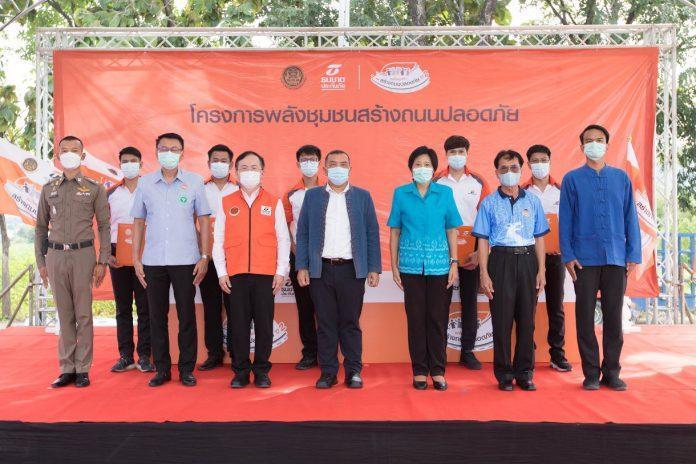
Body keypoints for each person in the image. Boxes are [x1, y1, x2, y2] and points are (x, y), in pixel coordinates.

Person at [560, 125, 641, 391]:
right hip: (583, 260)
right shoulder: (572, 179)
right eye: (589, 140)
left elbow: (631, 217)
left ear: (607, 145)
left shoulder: (621, 178)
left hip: (616, 257)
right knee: (585, 318)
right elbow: (565, 220)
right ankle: (591, 373)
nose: (594, 144)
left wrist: (633, 253)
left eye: (599, 140)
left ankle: (612, 372)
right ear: (582, 146)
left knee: (614, 318)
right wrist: (568, 255)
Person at [130, 133, 211, 388]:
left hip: (186, 259)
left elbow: (204, 220)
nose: (169, 153)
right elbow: (138, 221)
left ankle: (187, 369)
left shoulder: (195, 182)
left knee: (187, 316)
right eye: (164, 148)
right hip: (153, 260)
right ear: (156, 152)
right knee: (156, 317)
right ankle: (162, 369)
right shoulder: (145, 183)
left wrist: (205, 256)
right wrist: (136, 258)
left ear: (182, 153)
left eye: (174, 149)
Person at [295, 150, 381, 389]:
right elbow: (302, 233)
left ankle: (353, 371)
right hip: (321, 269)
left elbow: (372, 233)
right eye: (332, 164)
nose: (338, 168)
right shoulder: (312, 196)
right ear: (324, 169)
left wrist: (374, 267)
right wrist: (302, 265)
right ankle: (328, 372)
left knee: (350, 322)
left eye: (343, 164)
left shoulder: (362, 196)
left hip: (352, 270)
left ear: (350, 169)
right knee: (325, 324)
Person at [35, 135, 111, 388]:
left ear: (82, 155)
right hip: (55, 256)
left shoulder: (94, 188)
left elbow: (104, 225)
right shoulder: (49, 189)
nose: (69, 154)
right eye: (65, 150)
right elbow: (40, 228)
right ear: (57, 156)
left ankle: (83, 369)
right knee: (64, 314)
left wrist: (102, 261)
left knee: (84, 314)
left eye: (74, 150)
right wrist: (41, 262)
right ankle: (66, 368)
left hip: (83, 256)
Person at [212, 151, 290, 389]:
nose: (249, 172)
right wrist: (221, 272)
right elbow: (218, 239)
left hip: (265, 274)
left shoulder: (274, 202)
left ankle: (262, 371)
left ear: (262, 172)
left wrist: (281, 271)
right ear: (236, 172)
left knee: (264, 324)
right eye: (244, 168)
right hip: (235, 274)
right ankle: (241, 371)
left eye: (254, 167)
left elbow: (283, 239)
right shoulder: (226, 202)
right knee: (238, 324)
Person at [473, 150, 549, 392]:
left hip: (528, 260)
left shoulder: (533, 201)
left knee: (527, 320)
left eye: (514, 168)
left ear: (521, 170)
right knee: (502, 320)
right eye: (504, 169)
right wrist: (484, 273)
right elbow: (482, 240)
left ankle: (525, 372)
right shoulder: (488, 203)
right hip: (500, 261)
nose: (509, 172)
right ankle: (505, 373)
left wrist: (541, 270)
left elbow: (539, 237)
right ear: (496, 173)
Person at [388, 146, 462, 391]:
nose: (422, 168)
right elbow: (395, 231)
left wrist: (454, 262)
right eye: (418, 164)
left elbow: (451, 229)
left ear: (434, 168)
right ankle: (420, 370)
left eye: (427, 164)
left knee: (437, 320)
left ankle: (438, 371)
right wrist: (394, 265)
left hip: (440, 267)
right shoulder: (401, 194)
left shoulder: (445, 193)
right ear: (411, 168)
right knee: (416, 320)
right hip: (410, 267)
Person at [435, 135, 490, 370]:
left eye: (461, 152)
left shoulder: (478, 182)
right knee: (440, 304)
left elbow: (486, 218)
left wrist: (479, 252)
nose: (457, 156)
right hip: (441, 251)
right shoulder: (436, 181)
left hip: (471, 251)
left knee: (470, 302)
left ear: (467, 153)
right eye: (452, 152)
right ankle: (438, 353)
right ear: (446, 154)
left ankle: (467, 351)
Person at [522, 144, 572, 373]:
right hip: (529, 257)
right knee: (527, 306)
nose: (539, 164)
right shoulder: (522, 192)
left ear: (550, 162)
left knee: (556, 305)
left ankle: (557, 354)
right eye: (535, 160)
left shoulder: (562, 190)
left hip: (555, 257)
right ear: (528, 164)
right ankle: (527, 352)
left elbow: (570, 223)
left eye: (543, 160)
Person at [107, 146, 154, 374]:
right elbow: (104, 226)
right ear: (119, 165)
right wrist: (107, 253)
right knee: (122, 307)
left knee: (145, 307)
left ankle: (144, 355)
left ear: (141, 164)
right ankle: (125, 355)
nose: (129, 165)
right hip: (118, 254)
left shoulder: (151, 190)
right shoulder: (111, 193)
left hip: (146, 254)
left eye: (133, 161)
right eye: (125, 161)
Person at [198, 144, 238, 371]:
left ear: (231, 165)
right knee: (211, 308)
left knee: (235, 308)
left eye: (224, 160)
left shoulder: (239, 189)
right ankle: (214, 353)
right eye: (215, 160)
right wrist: (202, 252)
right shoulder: (200, 189)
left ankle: (236, 352)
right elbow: (193, 222)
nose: (219, 164)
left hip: (234, 259)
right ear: (208, 163)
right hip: (208, 259)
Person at [282, 145, 323, 370]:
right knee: (305, 308)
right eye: (304, 160)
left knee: (326, 308)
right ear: (298, 164)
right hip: (300, 259)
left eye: (313, 159)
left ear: (319, 162)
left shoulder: (329, 190)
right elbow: (286, 226)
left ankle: (327, 353)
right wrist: (298, 254)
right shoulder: (291, 194)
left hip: (326, 259)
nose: (309, 163)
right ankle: (309, 353)